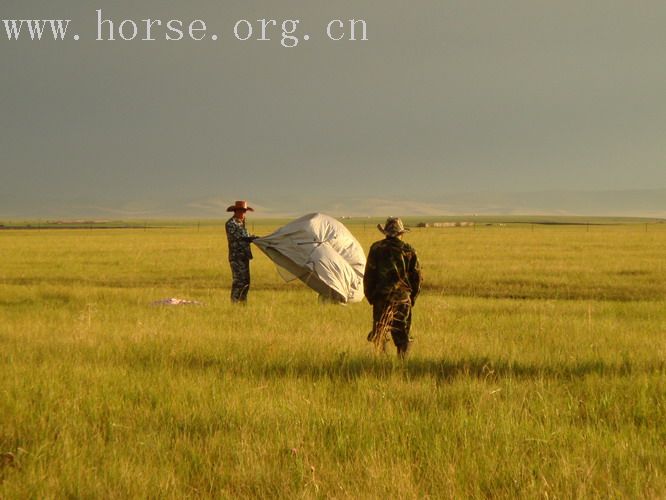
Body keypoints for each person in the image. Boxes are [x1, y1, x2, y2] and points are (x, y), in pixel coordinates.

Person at [364, 217, 422, 358]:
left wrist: (371, 297)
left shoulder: (376, 248)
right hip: (402, 299)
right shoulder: (409, 250)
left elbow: (369, 275)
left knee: (380, 334)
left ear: (385, 233)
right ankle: (402, 365)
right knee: (403, 336)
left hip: (381, 299)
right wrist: (411, 298)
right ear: (401, 233)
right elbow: (417, 279)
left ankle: (380, 364)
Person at [225, 200, 257, 303]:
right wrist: (253, 238)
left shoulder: (242, 223)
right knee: (238, 281)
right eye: (242, 211)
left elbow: (246, 236)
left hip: (244, 256)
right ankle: (234, 303)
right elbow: (241, 237)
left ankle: (243, 303)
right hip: (236, 257)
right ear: (236, 211)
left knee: (246, 281)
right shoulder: (231, 223)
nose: (244, 213)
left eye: (244, 211)